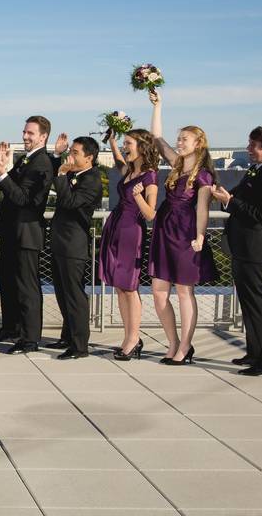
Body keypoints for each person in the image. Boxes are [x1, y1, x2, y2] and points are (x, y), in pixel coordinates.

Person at [148, 91, 218, 365]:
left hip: (187, 234)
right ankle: (173, 342)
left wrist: (200, 236)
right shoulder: (176, 164)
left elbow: (203, 208)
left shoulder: (204, 174)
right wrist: (157, 106)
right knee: (158, 290)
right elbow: (156, 138)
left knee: (184, 291)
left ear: (198, 143)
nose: (178, 143)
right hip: (165, 231)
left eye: (184, 139)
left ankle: (186, 345)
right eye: (178, 139)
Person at [211, 126, 262, 376]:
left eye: (253, 145)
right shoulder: (258, 170)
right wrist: (225, 196)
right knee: (247, 303)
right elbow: (240, 198)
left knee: (257, 305)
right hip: (243, 247)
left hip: (256, 249)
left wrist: (230, 202)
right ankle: (255, 353)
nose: (248, 149)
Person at [0, 116, 54, 354]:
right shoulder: (27, 159)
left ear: (43, 137)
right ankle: (10, 327)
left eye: (30, 133)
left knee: (27, 288)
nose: (25, 136)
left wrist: (3, 171)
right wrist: (5, 168)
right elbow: (11, 188)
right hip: (11, 231)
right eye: (24, 132)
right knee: (7, 282)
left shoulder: (42, 162)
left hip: (27, 233)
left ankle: (30, 338)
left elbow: (24, 199)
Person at [98, 129, 160, 360]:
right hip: (116, 226)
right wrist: (113, 141)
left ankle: (133, 339)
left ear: (142, 146)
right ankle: (129, 336)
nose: (126, 147)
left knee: (129, 286)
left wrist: (138, 197)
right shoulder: (129, 171)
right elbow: (117, 162)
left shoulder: (149, 176)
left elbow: (151, 214)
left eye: (128, 143)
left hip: (131, 231)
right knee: (119, 286)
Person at [48, 137, 103, 359]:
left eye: (76, 152)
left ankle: (80, 345)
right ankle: (68, 335)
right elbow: (54, 176)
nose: (71, 155)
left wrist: (62, 175)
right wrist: (56, 156)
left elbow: (70, 202)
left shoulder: (92, 180)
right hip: (60, 241)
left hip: (74, 244)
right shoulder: (72, 173)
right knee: (62, 292)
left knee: (74, 296)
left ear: (89, 158)